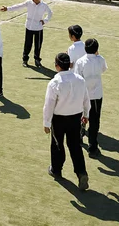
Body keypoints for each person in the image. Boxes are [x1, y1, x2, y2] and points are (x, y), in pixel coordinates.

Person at [43, 52, 89, 191]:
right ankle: (81, 173)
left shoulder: (54, 83)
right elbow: (86, 99)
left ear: (57, 66)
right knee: (75, 146)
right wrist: (86, 114)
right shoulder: (80, 79)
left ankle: (56, 169)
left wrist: (46, 123)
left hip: (59, 119)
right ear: (69, 65)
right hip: (76, 117)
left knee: (57, 144)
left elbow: (49, 104)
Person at [74, 38, 108, 157]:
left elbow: (77, 77)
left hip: (83, 95)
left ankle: (79, 137)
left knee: (80, 116)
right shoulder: (100, 59)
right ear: (96, 49)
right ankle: (92, 147)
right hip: (96, 95)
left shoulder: (80, 62)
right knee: (94, 121)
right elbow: (104, 69)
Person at [2, 0, 53, 68]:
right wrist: (7, 8)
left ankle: (37, 60)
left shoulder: (44, 5)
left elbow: (50, 13)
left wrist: (45, 21)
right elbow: (19, 6)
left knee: (38, 45)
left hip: (38, 28)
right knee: (27, 44)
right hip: (29, 27)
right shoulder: (29, 2)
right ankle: (25, 60)